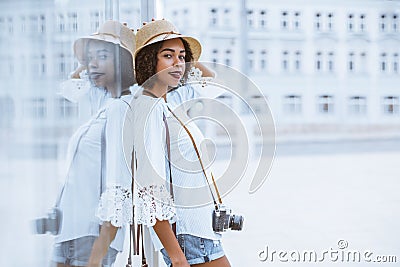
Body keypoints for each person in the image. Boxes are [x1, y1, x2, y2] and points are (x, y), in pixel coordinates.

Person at [131, 19, 231, 267]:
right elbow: (149, 188)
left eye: (183, 56)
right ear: (148, 60)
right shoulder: (148, 109)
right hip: (188, 238)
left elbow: (213, 83)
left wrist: (178, 53)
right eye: (168, 55)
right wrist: (176, 256)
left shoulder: (167, 103)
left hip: (199, 233)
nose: (179, 63)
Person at [51, 20, 135, 267]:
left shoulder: (122, 109)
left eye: (103, 56)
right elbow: (69, 88)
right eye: (90, 58)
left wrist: (96, 257)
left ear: (122, 61)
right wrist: (89, 63)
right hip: (69, 231)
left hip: (92, 237)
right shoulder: (103, 103)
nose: (92, 64)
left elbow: (121, 187)